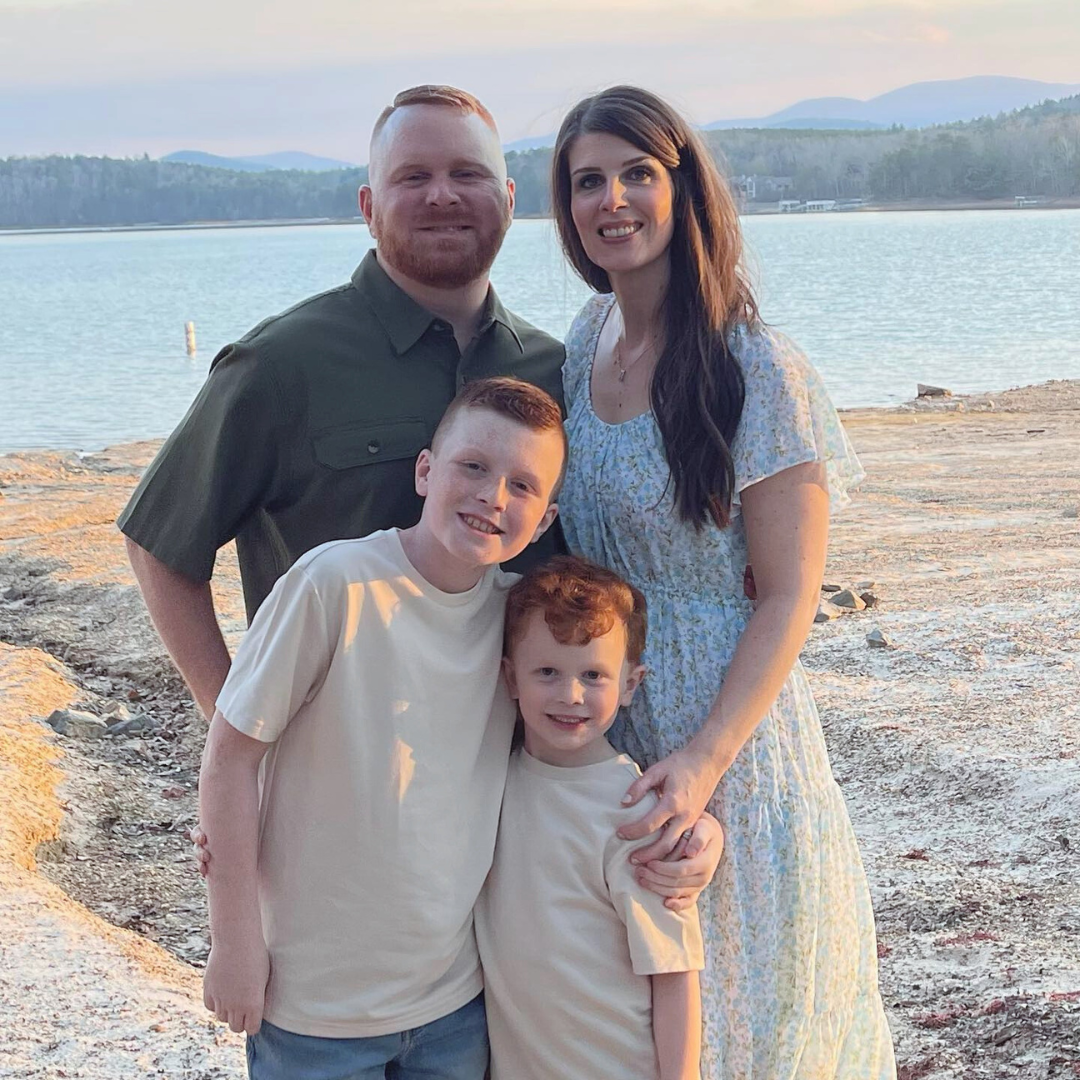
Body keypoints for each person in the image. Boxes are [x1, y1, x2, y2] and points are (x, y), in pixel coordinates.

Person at [552, 86, 897, 1078]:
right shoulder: (583, 341)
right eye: (587, 181)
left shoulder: (757, 365)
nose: (613, 199)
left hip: (732, 742)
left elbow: (790, 594)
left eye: (637, 174)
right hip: (610, 726)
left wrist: (706, 758)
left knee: (748, 1022)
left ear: (684, 190)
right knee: (633, 1029)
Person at [117, 84, 564, 724]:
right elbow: (160, 547)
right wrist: (236, 725)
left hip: (509, 758)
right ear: (369, 206)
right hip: (334, 754)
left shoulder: (555, 371)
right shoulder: (279, 364)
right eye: (413, 176)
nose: (443, 195)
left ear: (511, 199)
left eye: (468, 173)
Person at [200, 379, 565, 1076]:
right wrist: (234, 942)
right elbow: (228, 759)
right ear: (425, 470)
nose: (493, 496)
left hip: (455, 1003)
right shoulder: (334, 584)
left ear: (544, 520)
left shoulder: (521, 620)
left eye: (522, 486)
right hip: (312, 1007)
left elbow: (578, 735)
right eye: (473, 466)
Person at [476, 555, 704, 1080]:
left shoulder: (636, 812)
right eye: (547, 672)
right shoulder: (490, 781)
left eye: (593, 675)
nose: (570, 695)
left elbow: (674, 969)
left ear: (630, 684)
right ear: (510, 677)